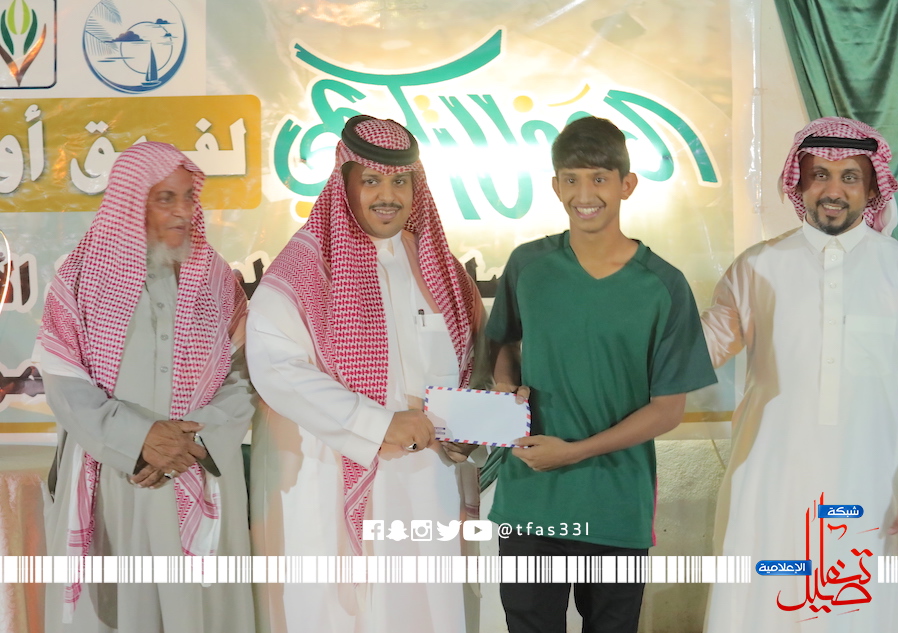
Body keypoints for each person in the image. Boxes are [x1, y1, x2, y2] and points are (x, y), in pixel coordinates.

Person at [702, 117, 898, 632]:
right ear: (799, 183)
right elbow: (695, 352)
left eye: (849, 177)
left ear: (872, 188)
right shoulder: (757, 266)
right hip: (769, 482)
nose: (833, 190)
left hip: (871, 487)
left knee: (858, 615)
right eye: (820, 175)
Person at [247, 115, 485, 633]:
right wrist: (378, 423)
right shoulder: (304, 271)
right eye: (372, 180)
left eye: (400, 181)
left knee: (428, 610)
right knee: (346, 613)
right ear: (345, 183)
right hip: (333, 476)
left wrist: (477, 425)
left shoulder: (442, 271)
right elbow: (277, 368)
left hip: (431, 480)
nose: (387, 196)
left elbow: (473, 364)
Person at [485, 116, 717, 633]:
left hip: (616, 504)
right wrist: (504, 388)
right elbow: (502, 343)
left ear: (626, 185)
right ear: (555, 186)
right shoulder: (528, 265)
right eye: (571, 179)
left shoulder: (663, 285)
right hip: (531, 498)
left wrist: (573, 452)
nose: (584, 194)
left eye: (598, 178)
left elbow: (667, 410)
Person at [37, 142, 255, 633]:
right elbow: (65, 382)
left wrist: (193, 442)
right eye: (165, 199)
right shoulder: (80, 279)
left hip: (201, 467)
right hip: (118, 476)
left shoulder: (219, 281)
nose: (183, 212)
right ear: (132, 203)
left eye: (188, 197)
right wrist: (138, 439)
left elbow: (243, 375)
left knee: (198, 613)